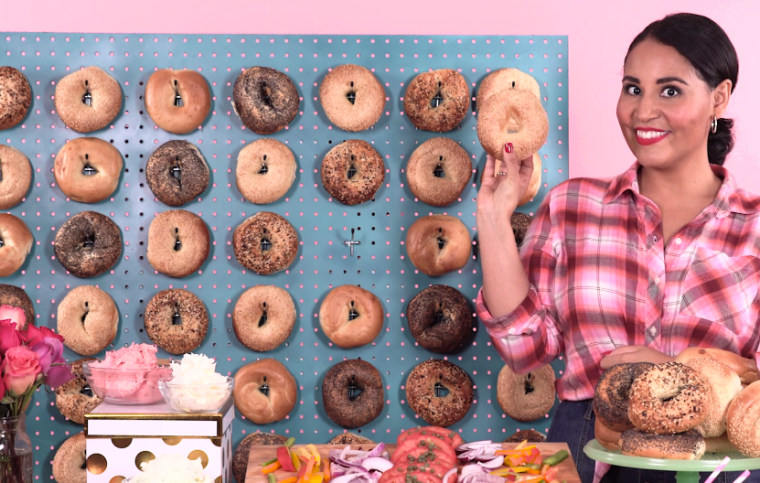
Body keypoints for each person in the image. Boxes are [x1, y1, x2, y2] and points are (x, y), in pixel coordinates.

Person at [476, 12, 760, 483]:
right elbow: (524, 348)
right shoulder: (573, 205)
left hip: (718, 457)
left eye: (670, 90)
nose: (642, 111)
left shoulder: (754, 225)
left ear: (719, 97)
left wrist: (669, 373)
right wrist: (493, 215)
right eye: (633, 88)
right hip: (590, 445)